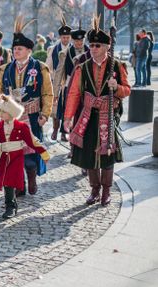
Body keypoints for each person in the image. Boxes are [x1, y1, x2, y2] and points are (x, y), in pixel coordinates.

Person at [63, 16, 131, 207]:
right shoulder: (82, 67)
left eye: (97, 46)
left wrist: (116, 86)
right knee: (89, 156)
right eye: (91, 45)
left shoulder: (117, 66)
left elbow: (127, 90)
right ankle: (94, 190)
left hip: (108, 115)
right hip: (88, 116)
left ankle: (106, 191)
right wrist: (67, 118)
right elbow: (74, 94)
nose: (93, 49)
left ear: (107, 47)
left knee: (107, 154)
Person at [0, 15, 53, 197]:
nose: (16, 51)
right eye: (15, 48)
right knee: (13, 153)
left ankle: (31, 177)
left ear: (29, 51)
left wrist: (45, 114)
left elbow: (48, 93)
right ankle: (20, 184)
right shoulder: (6, 69)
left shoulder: (40, 68)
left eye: (20, 48)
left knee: (31, 153)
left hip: (32, 115)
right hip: (11, 116)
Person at [0, 95, 50, 219]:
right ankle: (10, 205)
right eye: (0, 111)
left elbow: (33, 141)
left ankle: (11, 206)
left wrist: (43, 152)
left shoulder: (22, 127)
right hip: (3, 156)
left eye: (4, 112)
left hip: (17, 157)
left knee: (11, 179)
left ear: (12, 113)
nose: (1, 114)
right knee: (6, 182)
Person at [58, 23, 90, 146]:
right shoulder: (66, 52)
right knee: (69, 111)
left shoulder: (89, 51)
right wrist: (56, 92)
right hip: (69, 85)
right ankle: (70, 140)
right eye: (77, 41)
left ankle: (83, 140)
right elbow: (60, 72)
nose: (79, 43)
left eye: (81, 41)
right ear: (73, 40)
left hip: (86, 86)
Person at [46, 16, 72, 141]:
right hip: (56, 82)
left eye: (67, 37)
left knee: (67, 108)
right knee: (56, 109)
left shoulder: (73, 49)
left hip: (69, 82)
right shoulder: (53, 49)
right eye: (63, 37)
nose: (65, 39)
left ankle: (64, 132)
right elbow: (48, 66)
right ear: (60, 37)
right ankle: (55, 129)